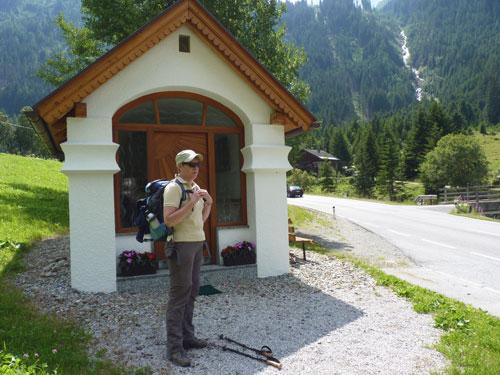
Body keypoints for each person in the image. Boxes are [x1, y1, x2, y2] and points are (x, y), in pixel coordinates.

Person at [163, 149, 213, 367]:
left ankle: (188, 337)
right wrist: (191, 202)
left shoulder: (195, 188)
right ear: (179, 166)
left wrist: (207, 203)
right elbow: (169, 220)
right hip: (181, 246)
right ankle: (174, 349)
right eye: (190, 164)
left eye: (197, 165)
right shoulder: (173, 189)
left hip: (196, 243)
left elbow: (199, 221)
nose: (195, 168)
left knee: (192, 291)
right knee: (179, 295)